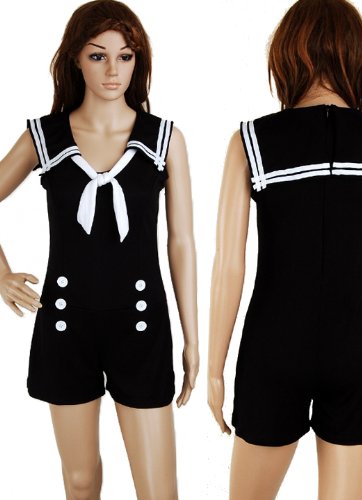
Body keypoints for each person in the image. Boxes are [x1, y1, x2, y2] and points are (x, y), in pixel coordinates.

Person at [208, 0, 362, 499]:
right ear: (357, 58)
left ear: (288, 56)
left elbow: (228, 265)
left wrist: (216, 370)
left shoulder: (252, 141)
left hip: (273, 347)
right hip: (358, 348)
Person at [0, 1, 198, 499]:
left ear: (138, 61)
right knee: (81, 480)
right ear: (75, 59)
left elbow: (181, 242)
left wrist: (192, 340)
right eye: (98, 56)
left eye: (125, 56)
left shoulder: (165, 140)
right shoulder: (44, 137)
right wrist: (0, 273)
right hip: (66, 323)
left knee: (159, 490)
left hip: (142, 324)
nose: (113, 70)